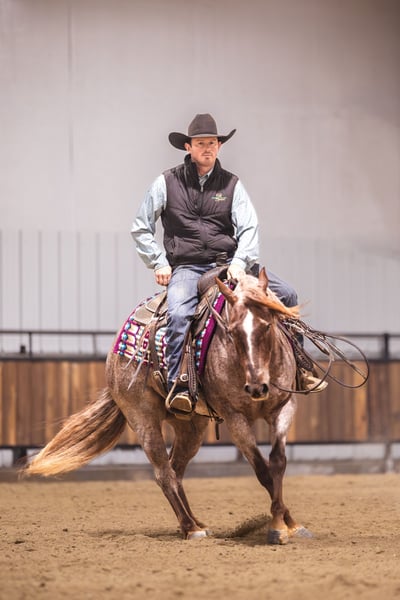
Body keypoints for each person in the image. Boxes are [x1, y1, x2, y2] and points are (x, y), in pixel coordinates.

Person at [131, 113, 326, 416]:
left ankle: (300, 366)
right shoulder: (166, 183)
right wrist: (158, 262)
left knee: (287, 294)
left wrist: (239, 262)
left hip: (229, 263)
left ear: (219, 146)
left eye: (212, 143)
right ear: (188, 147)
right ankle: (179, 384)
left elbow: (249, 228)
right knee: (179, 313)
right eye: (200, 143)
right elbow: (141, 227)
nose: (207, 148)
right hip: (188, 267)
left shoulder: (232, 185)